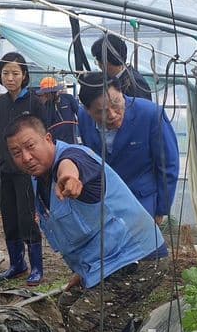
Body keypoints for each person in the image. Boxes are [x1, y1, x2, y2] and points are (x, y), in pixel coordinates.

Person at [5, 114, 168, 332]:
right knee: (68, 303)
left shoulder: (74, 159)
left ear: (48, 139)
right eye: (16, 152)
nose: (25, 157)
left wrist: (70, 178)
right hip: (109, 263)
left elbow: (72, 168)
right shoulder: (39, 181)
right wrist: (83, 272)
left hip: (139, 258)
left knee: (84, 319)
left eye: (30, 146)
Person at [76, 72, 179, 224]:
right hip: (103, 204)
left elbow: (168, 165)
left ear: (121, 93)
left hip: (142, 203)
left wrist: (161, 209)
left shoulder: (151, 114)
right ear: (88, 110)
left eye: (116, 104)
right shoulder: (83, 119)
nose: (112, 115)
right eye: (101, 111)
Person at [0, 52, 45, 286]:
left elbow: (43, 137)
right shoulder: (1, 102)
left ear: (24, 75)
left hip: (26, 170)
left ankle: (37, 267)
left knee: (27, 218)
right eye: (5, 73)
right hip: (5, 169)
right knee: (10, 218)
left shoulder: (34, 102)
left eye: (15, 73)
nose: (10, 78)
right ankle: (17, 264)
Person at [91, 33, 152, 100]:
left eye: (98, 62)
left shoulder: (134, 83)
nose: (100, 68)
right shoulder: (120, 78)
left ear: (106, 62)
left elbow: (140, 109)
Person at [35, 76, 81, 144]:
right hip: (55, 143)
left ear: (54, 91)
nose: (46, 95)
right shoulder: (45, 106)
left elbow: (79, 114)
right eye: (45, 93)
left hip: (71, 140)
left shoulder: (68, 98)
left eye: (48, 93)